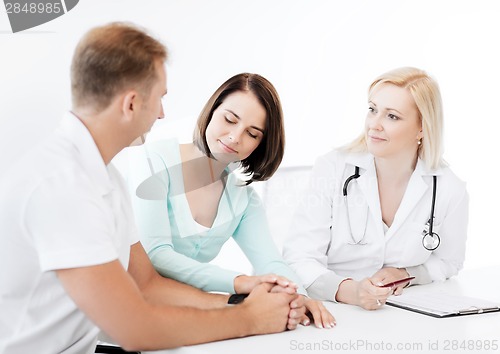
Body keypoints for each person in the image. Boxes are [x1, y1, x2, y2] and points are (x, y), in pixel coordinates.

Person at [0, 23, 306, 354]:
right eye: (160, 98)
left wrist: (238, 305)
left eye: (253, 133)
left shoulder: (105, 176)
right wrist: (248, 318)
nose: (162, 114)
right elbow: (136, 329)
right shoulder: (61, 185)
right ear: (131, 103)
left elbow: (146, 284)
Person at [128, 72, 335, 328]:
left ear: (261, 144)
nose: (235, 137)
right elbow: (156, 254)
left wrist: (299, 296)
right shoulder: (153, 161)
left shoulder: (242, 195)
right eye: (229, 119)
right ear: (212, 110)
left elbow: (270, 260)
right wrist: (241, 282)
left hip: (189, 311)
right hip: (129, 308)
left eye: (252, 133)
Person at [283, 67, 469, 311]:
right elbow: (298, 258)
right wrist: (351, 291)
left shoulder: (448, 189)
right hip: (330, 311)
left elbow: (448, 261)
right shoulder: (333, 168)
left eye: (392, 116)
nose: (374, 125)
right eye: (373, 110)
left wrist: (405, 273)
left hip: (403, 313)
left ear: (422, 127)